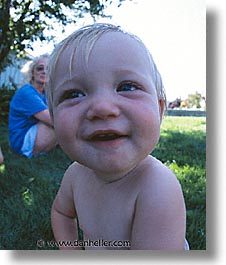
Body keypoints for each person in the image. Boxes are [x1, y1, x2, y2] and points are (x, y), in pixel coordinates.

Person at [47, 23, 188, 250]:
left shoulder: (157, 188)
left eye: (127, 87)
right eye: (74, 94)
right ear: (53, 118)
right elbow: (61, 213)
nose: (103, 108)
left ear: (160, 111)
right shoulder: (75, 174)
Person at [8, 54, 57, 158]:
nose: (44, 71)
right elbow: (51, 119)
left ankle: (42, 152)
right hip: (21, 141)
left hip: (35, 132)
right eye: (40, 68)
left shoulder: (45, 93)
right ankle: (33, 152)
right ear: (32, 73)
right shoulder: (26, 92)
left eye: (48, 69)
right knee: (58, 122)